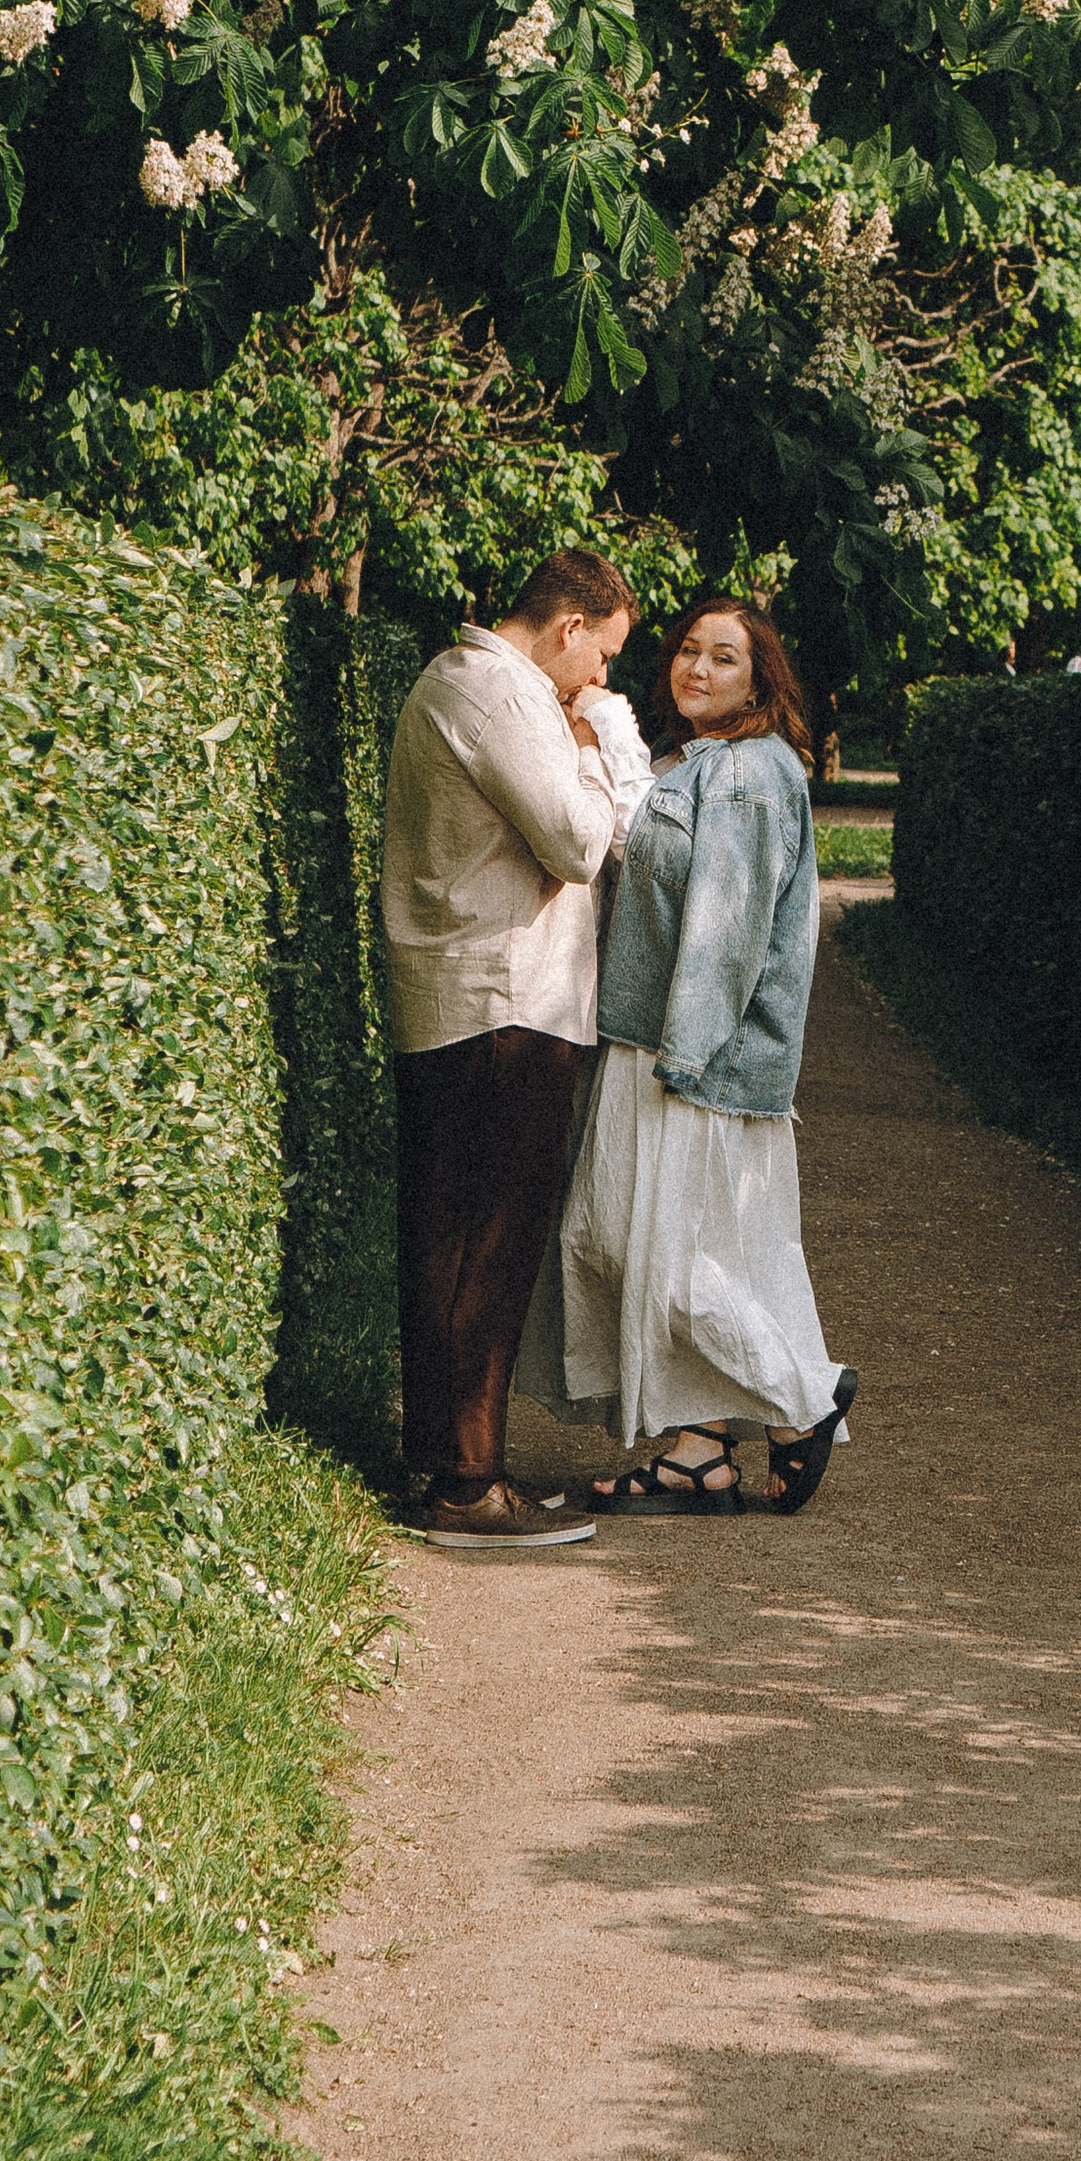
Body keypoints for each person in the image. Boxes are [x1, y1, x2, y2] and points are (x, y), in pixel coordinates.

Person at [536, 593, 855, 1514]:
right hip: (647, 1042)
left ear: (761, 679)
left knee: (654, 1260)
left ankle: (802, 1398)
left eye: (723, 658)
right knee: (628, 1242)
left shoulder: (752, 776)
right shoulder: (699, 761)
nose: (696, 669)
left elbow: (729, 933)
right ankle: (699, 1453)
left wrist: (687, 1057)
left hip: (692, 1060)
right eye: (687, 652)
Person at [381, 547, 638, 1547]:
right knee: (481, 1247)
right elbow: (578, 843)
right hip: (499, 1005)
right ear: (568, 628)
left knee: (464, 1238)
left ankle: (458, 1463)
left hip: (494, 1001)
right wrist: (584, 749)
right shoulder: (497, 693)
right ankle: (465, 1487)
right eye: (604, 656)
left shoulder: (480, 686)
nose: (603, 681)